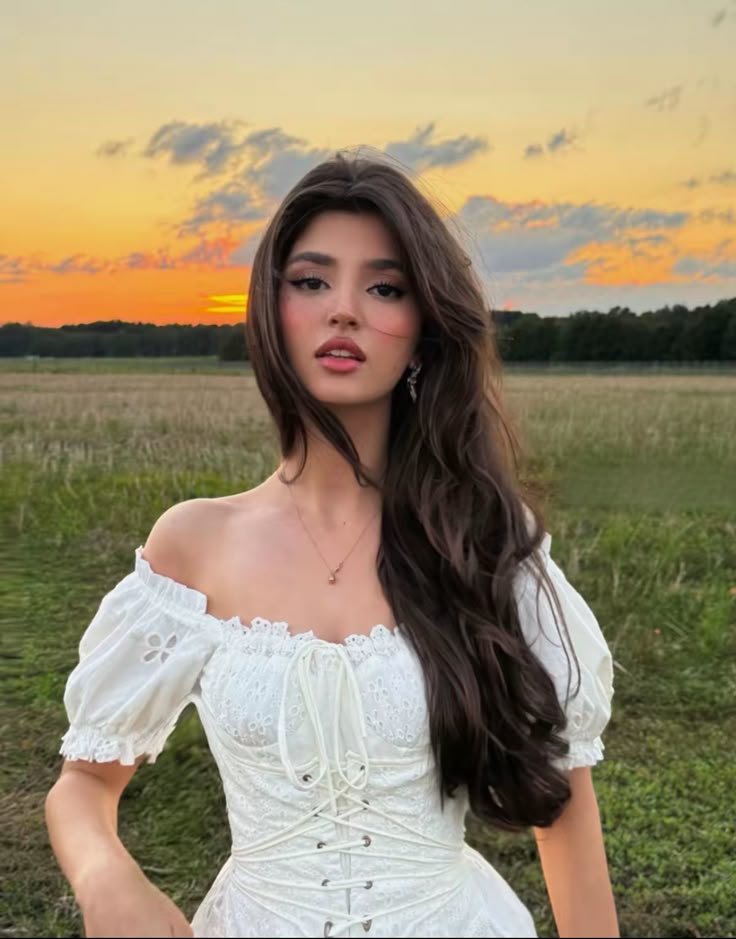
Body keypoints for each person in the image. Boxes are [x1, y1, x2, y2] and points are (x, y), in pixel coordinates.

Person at [45, 151, 618, 938]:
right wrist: (107, 876)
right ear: (271, 310)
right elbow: (83, 781)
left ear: (421, 332)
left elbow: (562, 802)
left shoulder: (482, 538)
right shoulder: (193, 544)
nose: (343, 310)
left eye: (384, 288)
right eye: (312, 281)